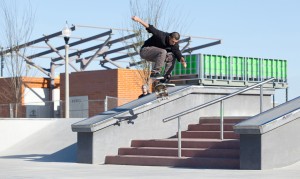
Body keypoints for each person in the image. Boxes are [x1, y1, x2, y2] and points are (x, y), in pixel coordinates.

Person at [131, 16, 187, 83]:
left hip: (156, 55)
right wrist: (139, 20)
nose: (173, 43)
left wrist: (183, 61)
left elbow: (177, 53)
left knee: (172, 56)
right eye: (172, 41)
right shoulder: (161, 35)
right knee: (163, 51)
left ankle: (165, 78)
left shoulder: (174, 44)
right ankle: (155, 72)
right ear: (169, 37)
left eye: (175, 42)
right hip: (145, 51)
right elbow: (150, 28)